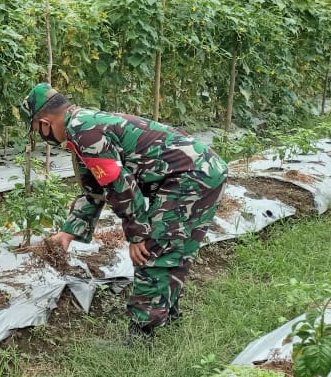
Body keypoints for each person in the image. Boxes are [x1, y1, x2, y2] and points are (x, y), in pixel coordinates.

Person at [19, 83, 228, 337]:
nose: (40, 136)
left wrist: (137, 234)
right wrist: (67, 233)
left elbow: (121, 185)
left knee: (151, 251)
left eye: (36, 129)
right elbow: (94, 190)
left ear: (44, 122)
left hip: (189, 177)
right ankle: (167, 317)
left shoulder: (84, 132)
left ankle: (142, 334)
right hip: (204, 170)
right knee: (174, 248)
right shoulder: (83, 125)